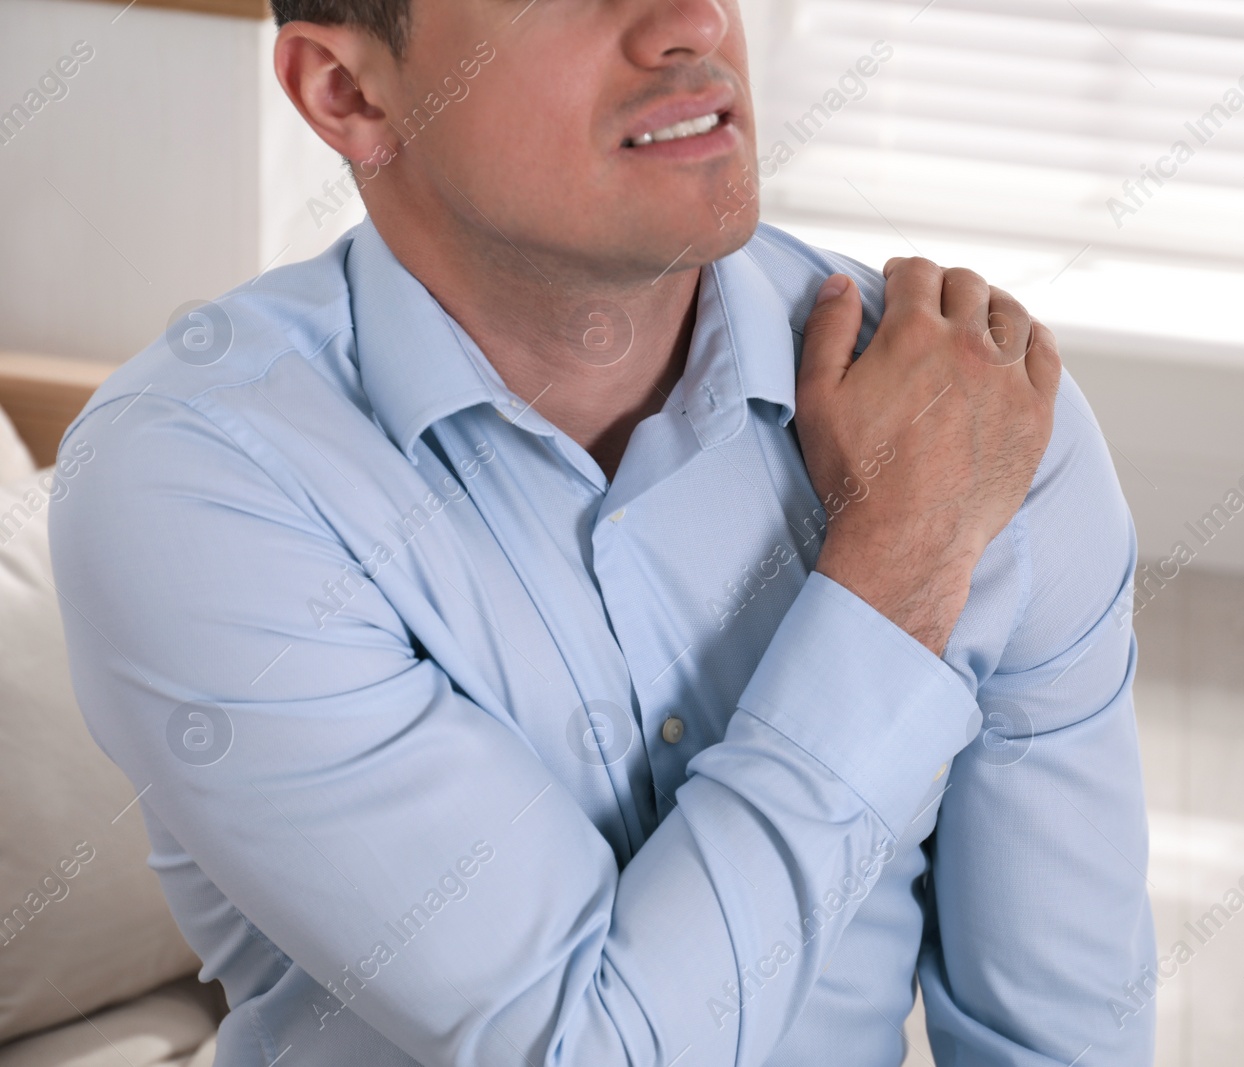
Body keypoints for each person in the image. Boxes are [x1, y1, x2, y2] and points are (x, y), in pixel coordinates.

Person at [49, 1, 1155, 1064]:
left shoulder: (978, 414)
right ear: (348, 94)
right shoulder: (198, 475)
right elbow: (587, 1043)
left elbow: (1060, 1033)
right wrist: (895, 572)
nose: (695, 22)